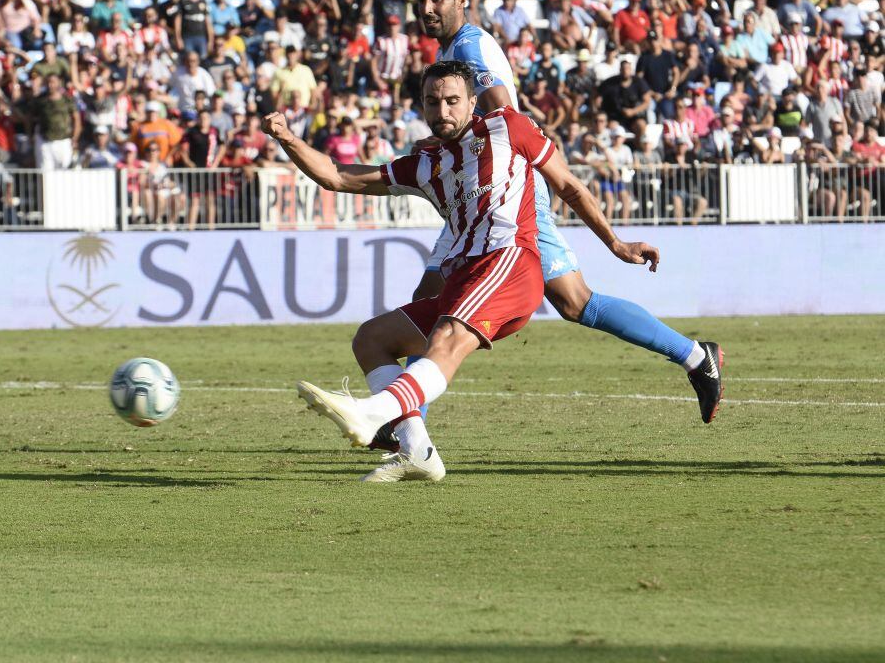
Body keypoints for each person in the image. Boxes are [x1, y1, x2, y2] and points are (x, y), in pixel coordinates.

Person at [268, 60, 661, 482]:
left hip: (511, 262)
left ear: (472, 101)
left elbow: (569, 186)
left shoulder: (508, 127)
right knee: (373, 339)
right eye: (433, 102)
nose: (444, 111)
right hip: (467, 277)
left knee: (446, 337)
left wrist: (616, 244)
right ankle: (417, 450)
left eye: (453, 101)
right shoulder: (423, 165)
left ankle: (372, 414)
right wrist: (288, 138)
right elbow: (337, 176)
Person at [409, 0, 723, 436]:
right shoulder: (455, 47)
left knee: (460, 298)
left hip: (503, 193)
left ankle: (406, 425)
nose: (427, 7)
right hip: (475, 191)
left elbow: (501, 115)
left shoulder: (469, 47)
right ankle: (698, 357)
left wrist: (447, 142)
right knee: (571, 303)